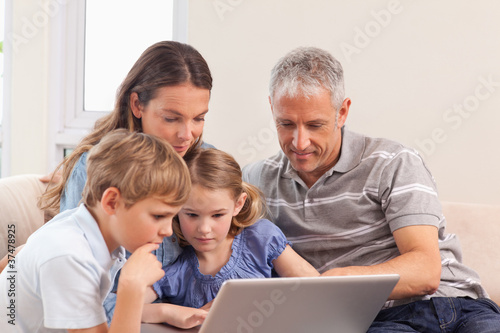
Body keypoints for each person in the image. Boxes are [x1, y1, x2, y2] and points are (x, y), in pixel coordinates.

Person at [242, 46, 500, 332]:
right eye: (286, 124)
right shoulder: (256, 181)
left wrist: (339, 279)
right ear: (271, 109)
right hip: (377, 320)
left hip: (454, 304)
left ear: (342, 112)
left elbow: (426, 271)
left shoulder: (393, 162)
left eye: (315, 125)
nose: (299, 142)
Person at [0, 129, 191, 332]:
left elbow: (17, 257)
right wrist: (132, 286)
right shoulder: (70, 255)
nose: (168, 231)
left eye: (173, 217)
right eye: (158, 216)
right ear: (111, 202)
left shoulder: (77, 227)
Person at [141, 148, 319, 329]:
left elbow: (316, 288)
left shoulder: (261, 238)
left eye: (217, 215)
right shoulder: (177, 273)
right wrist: (168, 312)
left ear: (238, 204)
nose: (204, 229)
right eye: (192, 215)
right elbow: (122, 305)